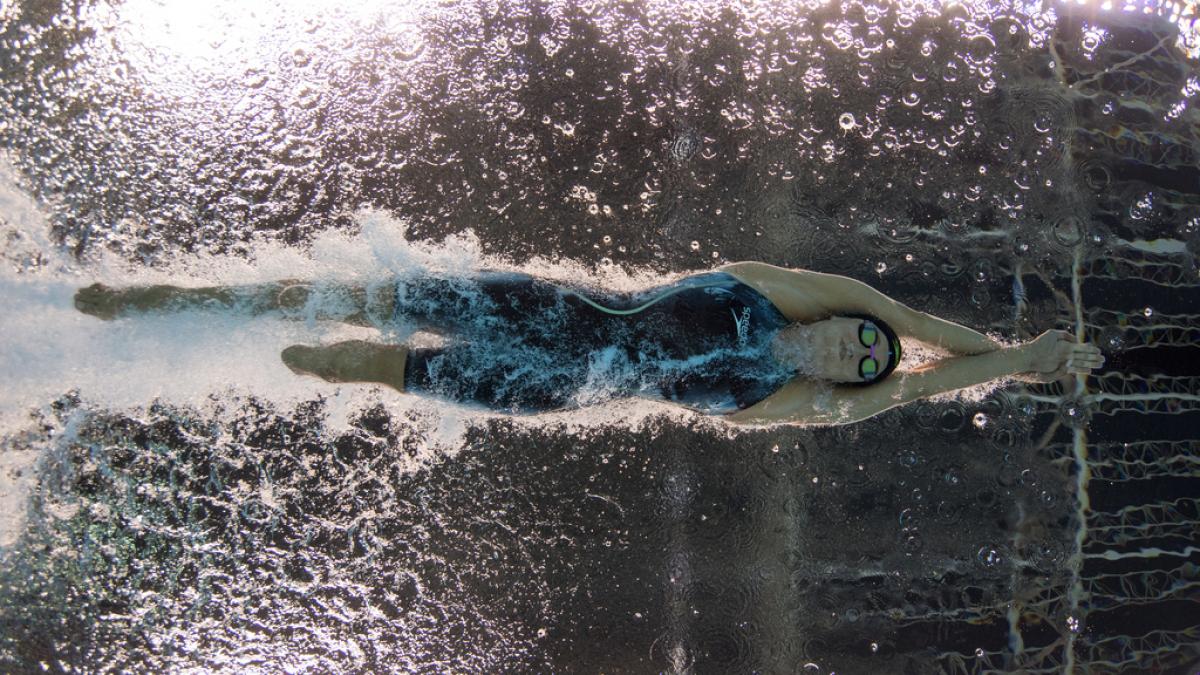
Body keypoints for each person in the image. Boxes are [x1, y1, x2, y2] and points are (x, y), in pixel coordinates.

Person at [73, 262, 1104, 425]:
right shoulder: (768, 293)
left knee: (337, 362)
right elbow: (916, 332)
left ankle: (200, 359)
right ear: (839, 324)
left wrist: (1019, 366)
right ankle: (166, 304)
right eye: (855, 342)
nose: (853, 356)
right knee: (351, 291)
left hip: (541, 389)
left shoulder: (778, 403)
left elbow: (907, 384)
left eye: (858, 370)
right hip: (541, 310)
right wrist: (1025, 340)